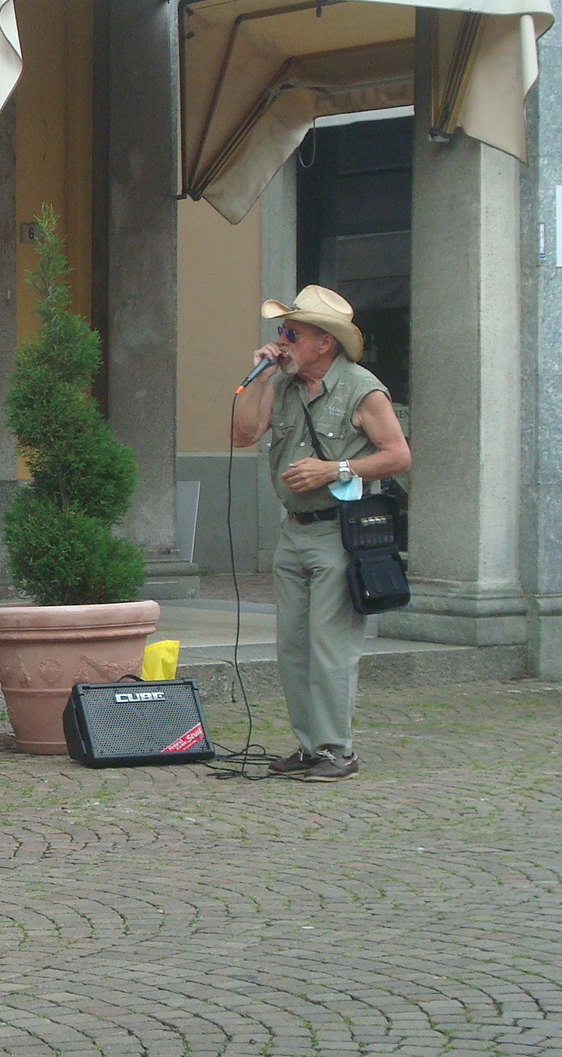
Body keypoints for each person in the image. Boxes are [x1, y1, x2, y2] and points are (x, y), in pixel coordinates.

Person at [230, 286, 412, 782]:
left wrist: (336, 469)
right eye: (281, 332)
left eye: (292, 333)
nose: (281, 340)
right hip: (293, 532)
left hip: (339, 532)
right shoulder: (284, 385)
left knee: (330, 645)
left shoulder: (361, 388)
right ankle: (310, 747)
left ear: (323, 342)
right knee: (292, 644)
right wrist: (264, 376)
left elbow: (399, 455)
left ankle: (338, 750)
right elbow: (242, 434)